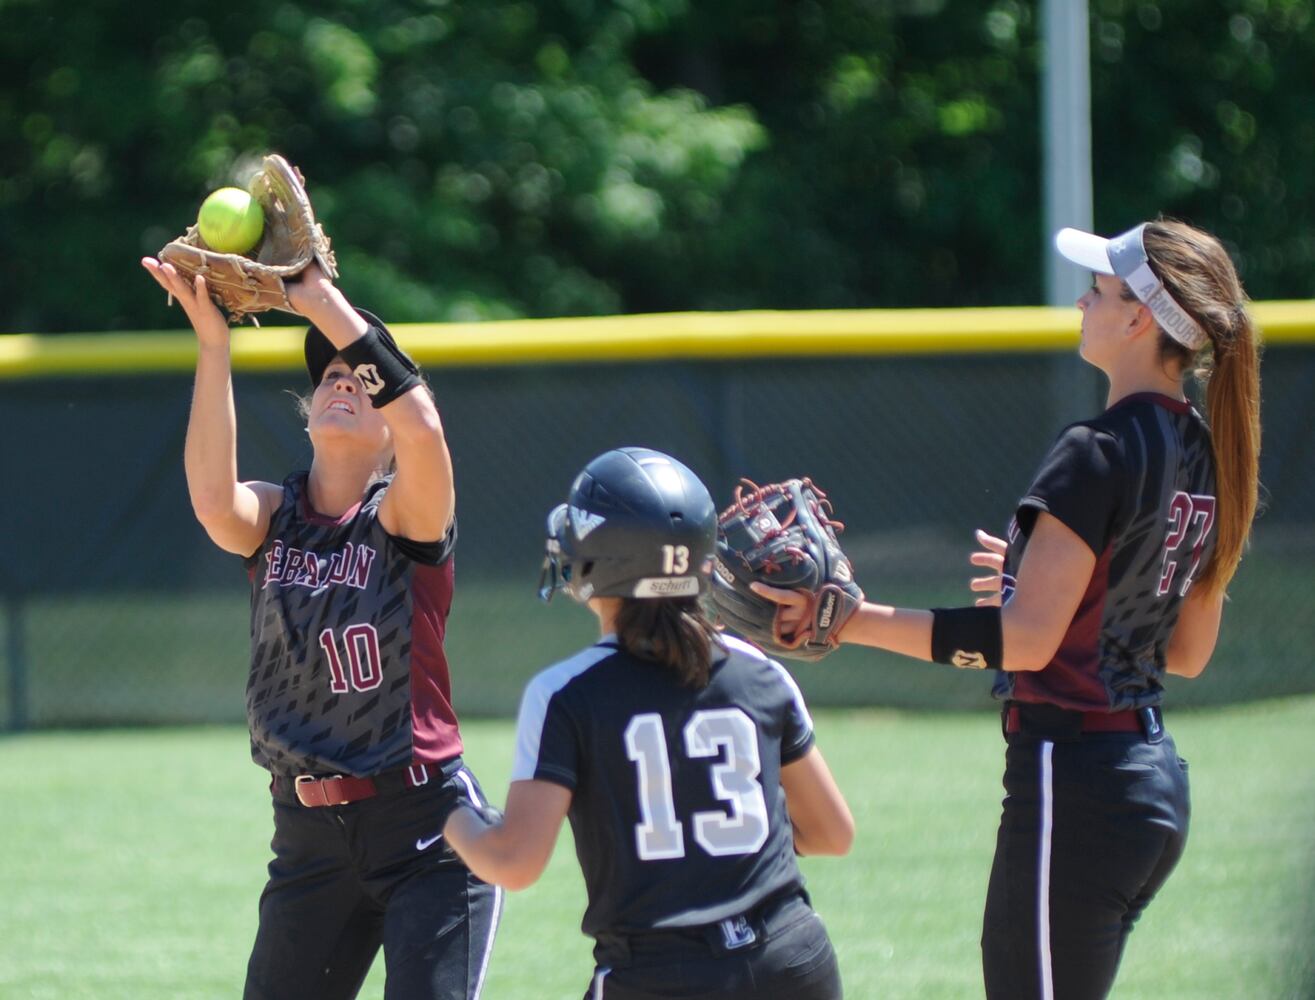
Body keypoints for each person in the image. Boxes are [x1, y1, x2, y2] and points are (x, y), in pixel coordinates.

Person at [753, 220, 1261, 999]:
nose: (1082, 300)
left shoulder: (1096, 448)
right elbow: (1182, 651)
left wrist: (847, 619)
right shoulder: (1202, 444)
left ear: (1137, 319)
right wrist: (1064, 604)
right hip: (1146, 787)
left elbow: (1025, 646)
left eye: (1099, 289)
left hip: (1078, 780)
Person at [140, 257, 501, 1000]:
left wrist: (321, 302)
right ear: (305, 410)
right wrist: (213, 344)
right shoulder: (275, 517)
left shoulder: (407, 518)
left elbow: (424, 423)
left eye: (361, 375)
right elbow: (213, 500)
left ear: (390, 430)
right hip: (305, 836)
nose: (342, 376)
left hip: (427, 828)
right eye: (328, 372)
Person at [441, 447, 855, 1000]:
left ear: (600, 568)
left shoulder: (566, 693)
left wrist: (443, 811)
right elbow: (831, 833)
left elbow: (513, 863)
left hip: (661, 974)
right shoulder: (762, 674)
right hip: (791, 959)